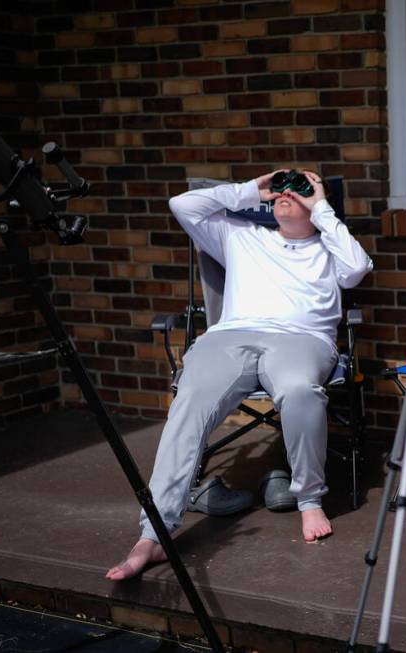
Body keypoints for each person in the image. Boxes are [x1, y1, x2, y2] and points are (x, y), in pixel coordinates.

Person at [106, 169, 373, 580]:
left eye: (299, 190)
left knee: (300, 389)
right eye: (281, 190)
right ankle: (154, 534)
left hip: (302, 340)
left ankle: (309, 498)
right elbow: (182, 205)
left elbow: (357, 268)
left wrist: (320, 206)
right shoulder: (239, 235)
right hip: (230, 337)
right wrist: (253, 190)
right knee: (189, 402)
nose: (287, 194)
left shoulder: (329, 248)